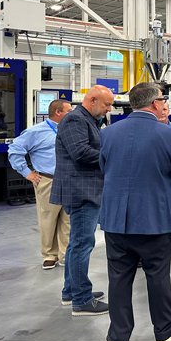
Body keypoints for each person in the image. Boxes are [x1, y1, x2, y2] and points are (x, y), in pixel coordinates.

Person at [98, 83, 171, 341]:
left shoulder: (107, 133)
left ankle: (117, 335)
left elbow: (104, 167)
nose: (164, 104)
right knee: (157, 275)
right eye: (163, 99)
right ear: (154, 103)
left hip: (116, 220)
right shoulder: (170, 136)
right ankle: (164, 330)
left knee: (118, 278)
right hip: (155, 220)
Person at [50, 85, 114, 316]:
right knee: (82, 244)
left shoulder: (89, 120)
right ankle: (82, 300)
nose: (109, 109)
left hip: (83, 189)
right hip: (81, 191)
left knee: (77, 243)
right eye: (106, 104)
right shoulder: (75, 119)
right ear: (92, 100)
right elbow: (80, 152)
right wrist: (113, 155)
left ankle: (71, 291)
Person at [8, 99, 73, 269]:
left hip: (70, 180)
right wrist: (27, 173)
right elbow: (15, 150)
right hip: (48, 180)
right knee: (48, 219)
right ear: (58, 112)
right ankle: (49, 254)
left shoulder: (71, 129)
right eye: (68, 111)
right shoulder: (35, 132)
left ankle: (65, 255)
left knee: (68, 219)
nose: (72, 114)